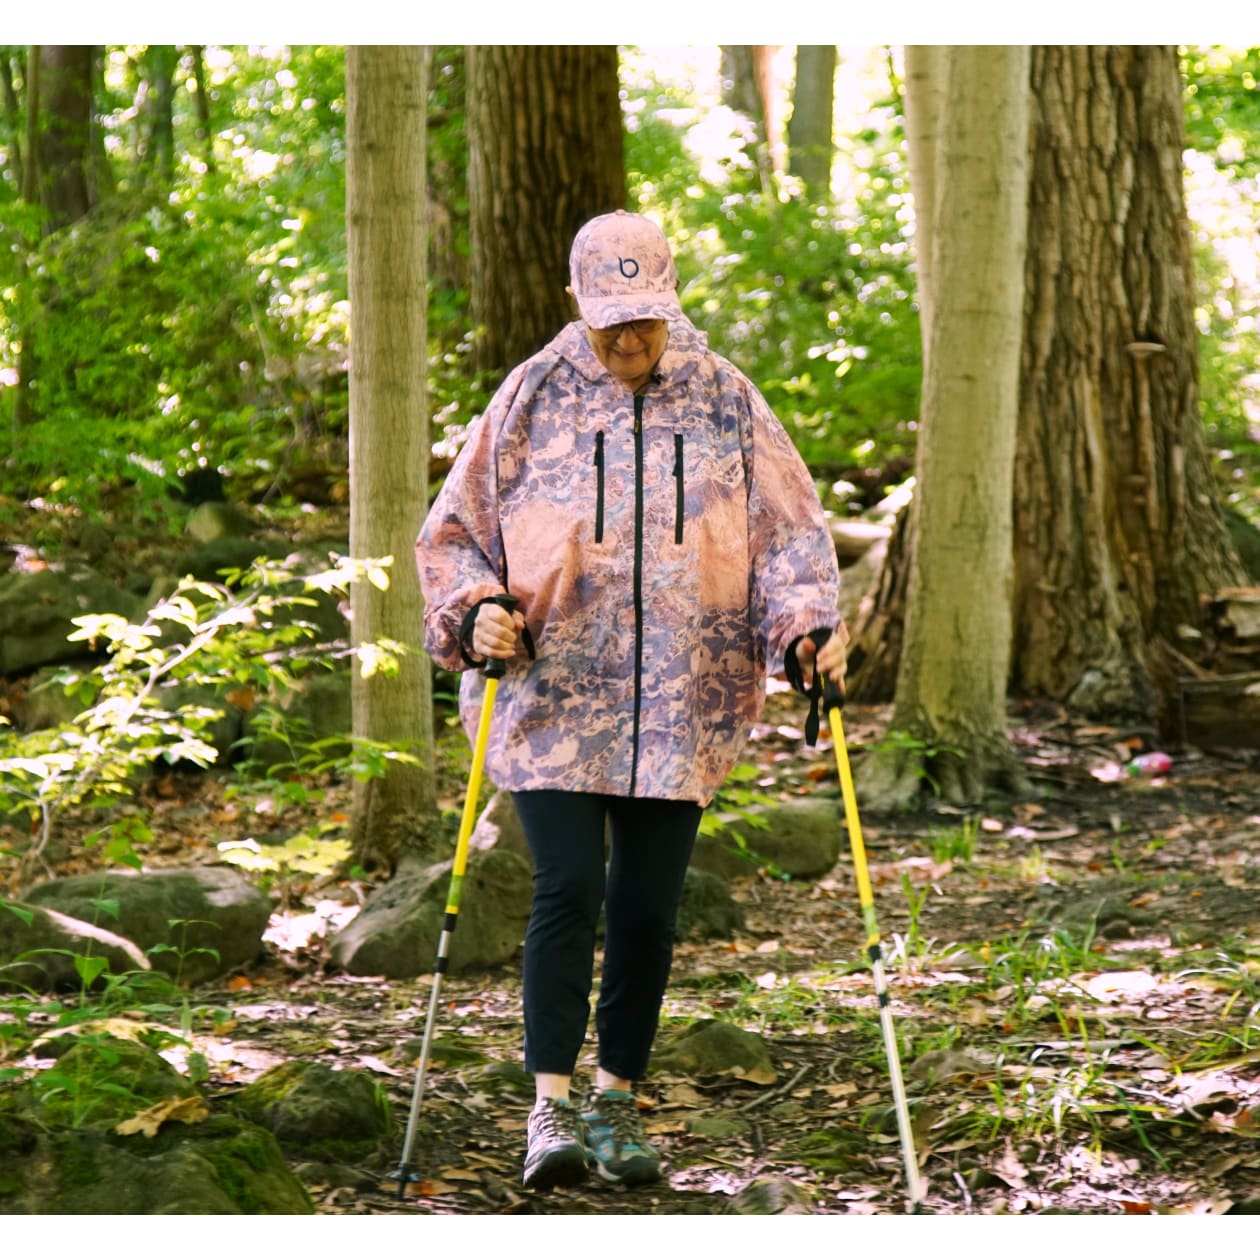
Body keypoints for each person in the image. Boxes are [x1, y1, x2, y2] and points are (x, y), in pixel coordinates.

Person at [415, 209, 847, 1191]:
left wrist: (805, 628)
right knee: (568, 887)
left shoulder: (729, 401)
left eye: (645, 317)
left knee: (648, 908)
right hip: (552, 697)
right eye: (612, 320)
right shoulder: (530, 396)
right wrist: (476, 608)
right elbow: (453, 537)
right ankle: (549, 1109)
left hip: (683, 702)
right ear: (578, 303)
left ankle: (617, 1100)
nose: (629, 339)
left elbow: (791, 539)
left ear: (671, 301)